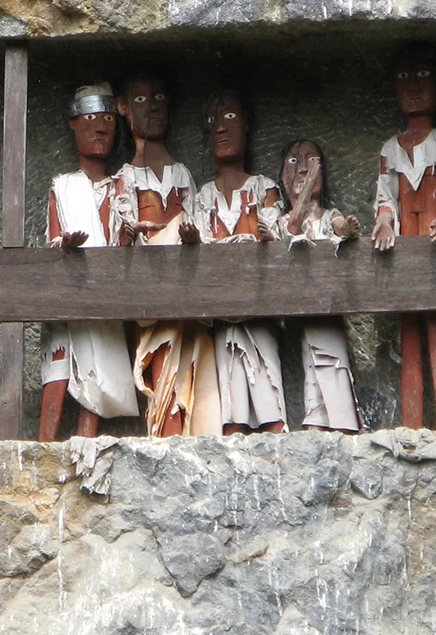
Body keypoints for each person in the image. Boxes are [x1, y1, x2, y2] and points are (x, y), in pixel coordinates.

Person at [370, 43, 436, 431]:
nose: (413, 87)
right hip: (405, 248)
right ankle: (412, 427)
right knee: (409, 337)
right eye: (405, 79)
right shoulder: (388, 150)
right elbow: (385, 195)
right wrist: (383, 221)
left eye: (423, 77)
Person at [112, 73, 216, 438]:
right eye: (139, 99)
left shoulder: (182, 174)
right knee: (162, 369)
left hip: (185, 289)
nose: (152, 105)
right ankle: (165, 434)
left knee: (193, 371)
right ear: (122, 108)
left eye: (158, 97)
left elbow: (199, 226)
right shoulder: (124, 178)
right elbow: (120, 241)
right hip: (151, 294)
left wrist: (189, 237)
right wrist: (130, 233)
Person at [37, 84, 138, 441]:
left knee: (98, 365)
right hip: (69, 290)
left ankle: (87, 439)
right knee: (60, 363)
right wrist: (64, 244)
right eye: (92, 118)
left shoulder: (120, 185)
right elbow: (54, 237)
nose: (100, 128)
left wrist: (129, 231)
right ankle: (44, 445)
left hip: (105, 292)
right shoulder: (63, 186)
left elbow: (123, 242)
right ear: (74, 124)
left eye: (108, 119)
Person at [192, 91, 287, 435]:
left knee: (269, 394)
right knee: (231, 407)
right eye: (213, 122)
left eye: (230, 118)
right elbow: (200, 245)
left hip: (258, 306)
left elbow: (273, 233)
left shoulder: (265, 187)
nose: (220, 129)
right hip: (222, 312)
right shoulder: (203, 196)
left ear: (247, 127)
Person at [278, 139, 363, 433]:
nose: (303, 169)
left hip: (328, 300)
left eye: (311, 162)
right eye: (293, 162)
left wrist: (347, 229)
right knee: (312, 358)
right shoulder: (282, 220)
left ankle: (340, 420)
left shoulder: (327, 215)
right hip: (298, 300)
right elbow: (289, 229)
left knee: (331, 357)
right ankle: (316, 419)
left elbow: (338, 225)